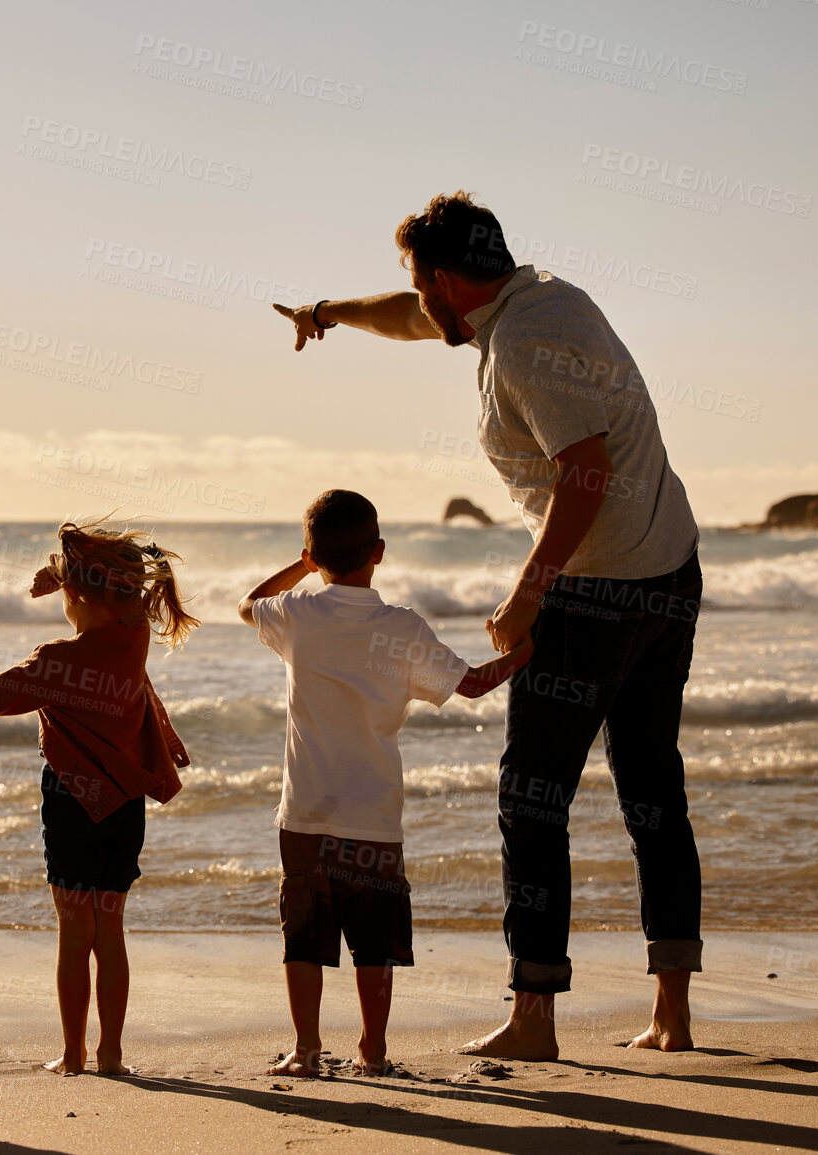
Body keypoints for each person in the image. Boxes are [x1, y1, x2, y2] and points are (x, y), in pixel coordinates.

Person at [273, 192, 704, 1060]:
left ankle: (534, 1015)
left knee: (531, 795)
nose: (415, 298)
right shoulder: (542, 294)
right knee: (651, 786)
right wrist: (327, 314)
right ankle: (671, 1011)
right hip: (670, 568)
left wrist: (527, 595)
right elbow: (410, 315)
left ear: (443, 279)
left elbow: (583, 473)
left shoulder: (520, 347)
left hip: (595, 589)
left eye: (416, 280)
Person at [0, 521, 195, 1076]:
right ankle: (112, 1054)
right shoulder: (134, 636)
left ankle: (73, 1055)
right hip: (125, 801)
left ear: (76, 595)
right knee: (110, 929)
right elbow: (125, 596)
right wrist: (66, 574)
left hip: (73, 800)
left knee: (75, 931)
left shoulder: (57, 662)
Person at [239, 489, 533, 1077]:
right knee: (374, 942)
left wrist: (303, 564)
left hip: (305, 814)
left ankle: (305, 1050)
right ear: (379, 551)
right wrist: (524, 651)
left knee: (304, 938)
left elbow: (251, 603)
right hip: (374, 815)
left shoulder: (298, 614)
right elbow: (471, 684)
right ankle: (372, 1050)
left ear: (314, 555)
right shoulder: (401, 627)